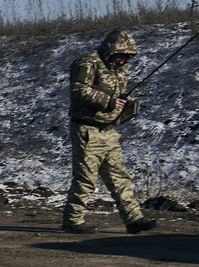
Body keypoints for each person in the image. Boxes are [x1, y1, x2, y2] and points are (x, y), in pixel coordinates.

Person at [62, 29, 158, 235]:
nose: (123, 60)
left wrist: (125, 104)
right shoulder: (87, 63)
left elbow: (115, 94)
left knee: (119, 177)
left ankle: (133, 219)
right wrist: (109, 101)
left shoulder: (119, 70)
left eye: (127, 57)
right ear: (110, 51)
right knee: (86, 179)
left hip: (109, 131)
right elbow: (78, 90)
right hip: (87, 130)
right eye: (121, 56)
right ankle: (73, 220)